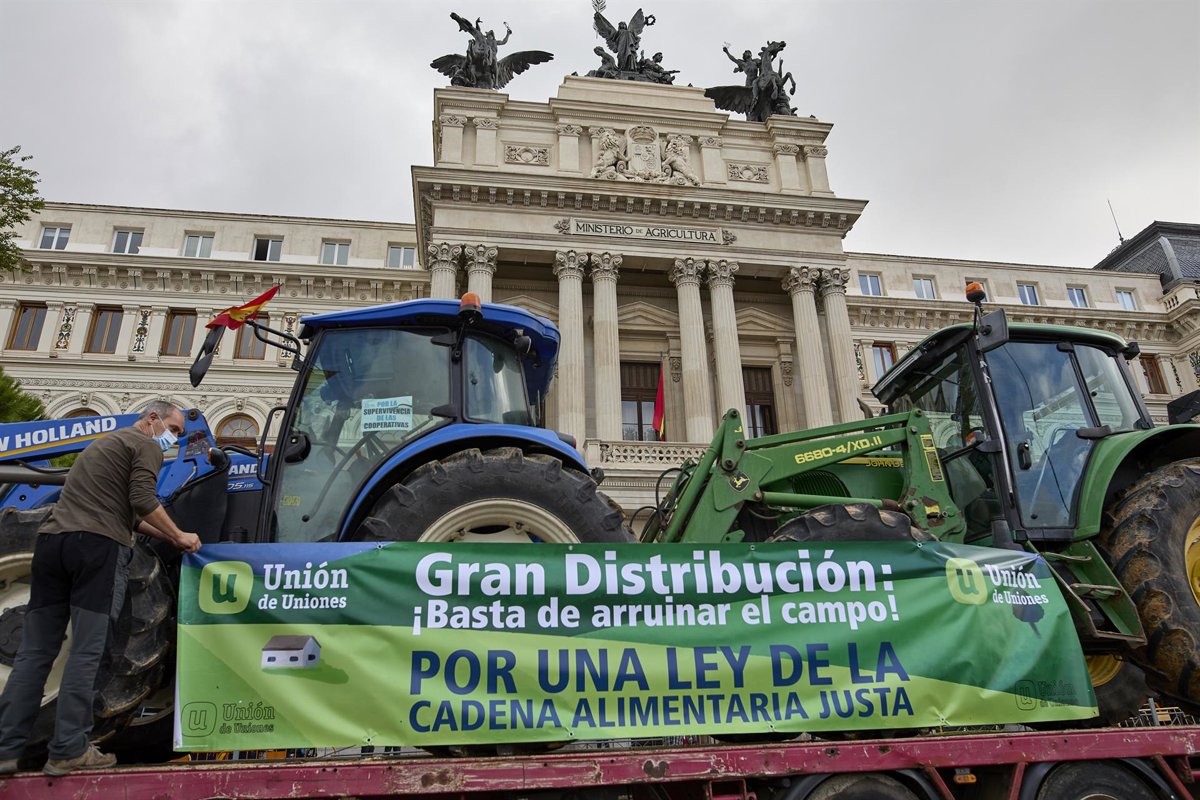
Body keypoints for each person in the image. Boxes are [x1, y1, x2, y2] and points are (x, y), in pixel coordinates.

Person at [0, 401, 201, 776]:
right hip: (95, 551)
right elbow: (143, 500)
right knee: (87, 651)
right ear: (153, 418)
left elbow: (129, 514)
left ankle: (5, 749)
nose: (174, 439)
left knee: (34, 652)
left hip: (51, 545)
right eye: (173, 429)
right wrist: (180, 533)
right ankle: (68, 749)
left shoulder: (102, 445)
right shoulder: (143, 444)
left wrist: (171, 539)